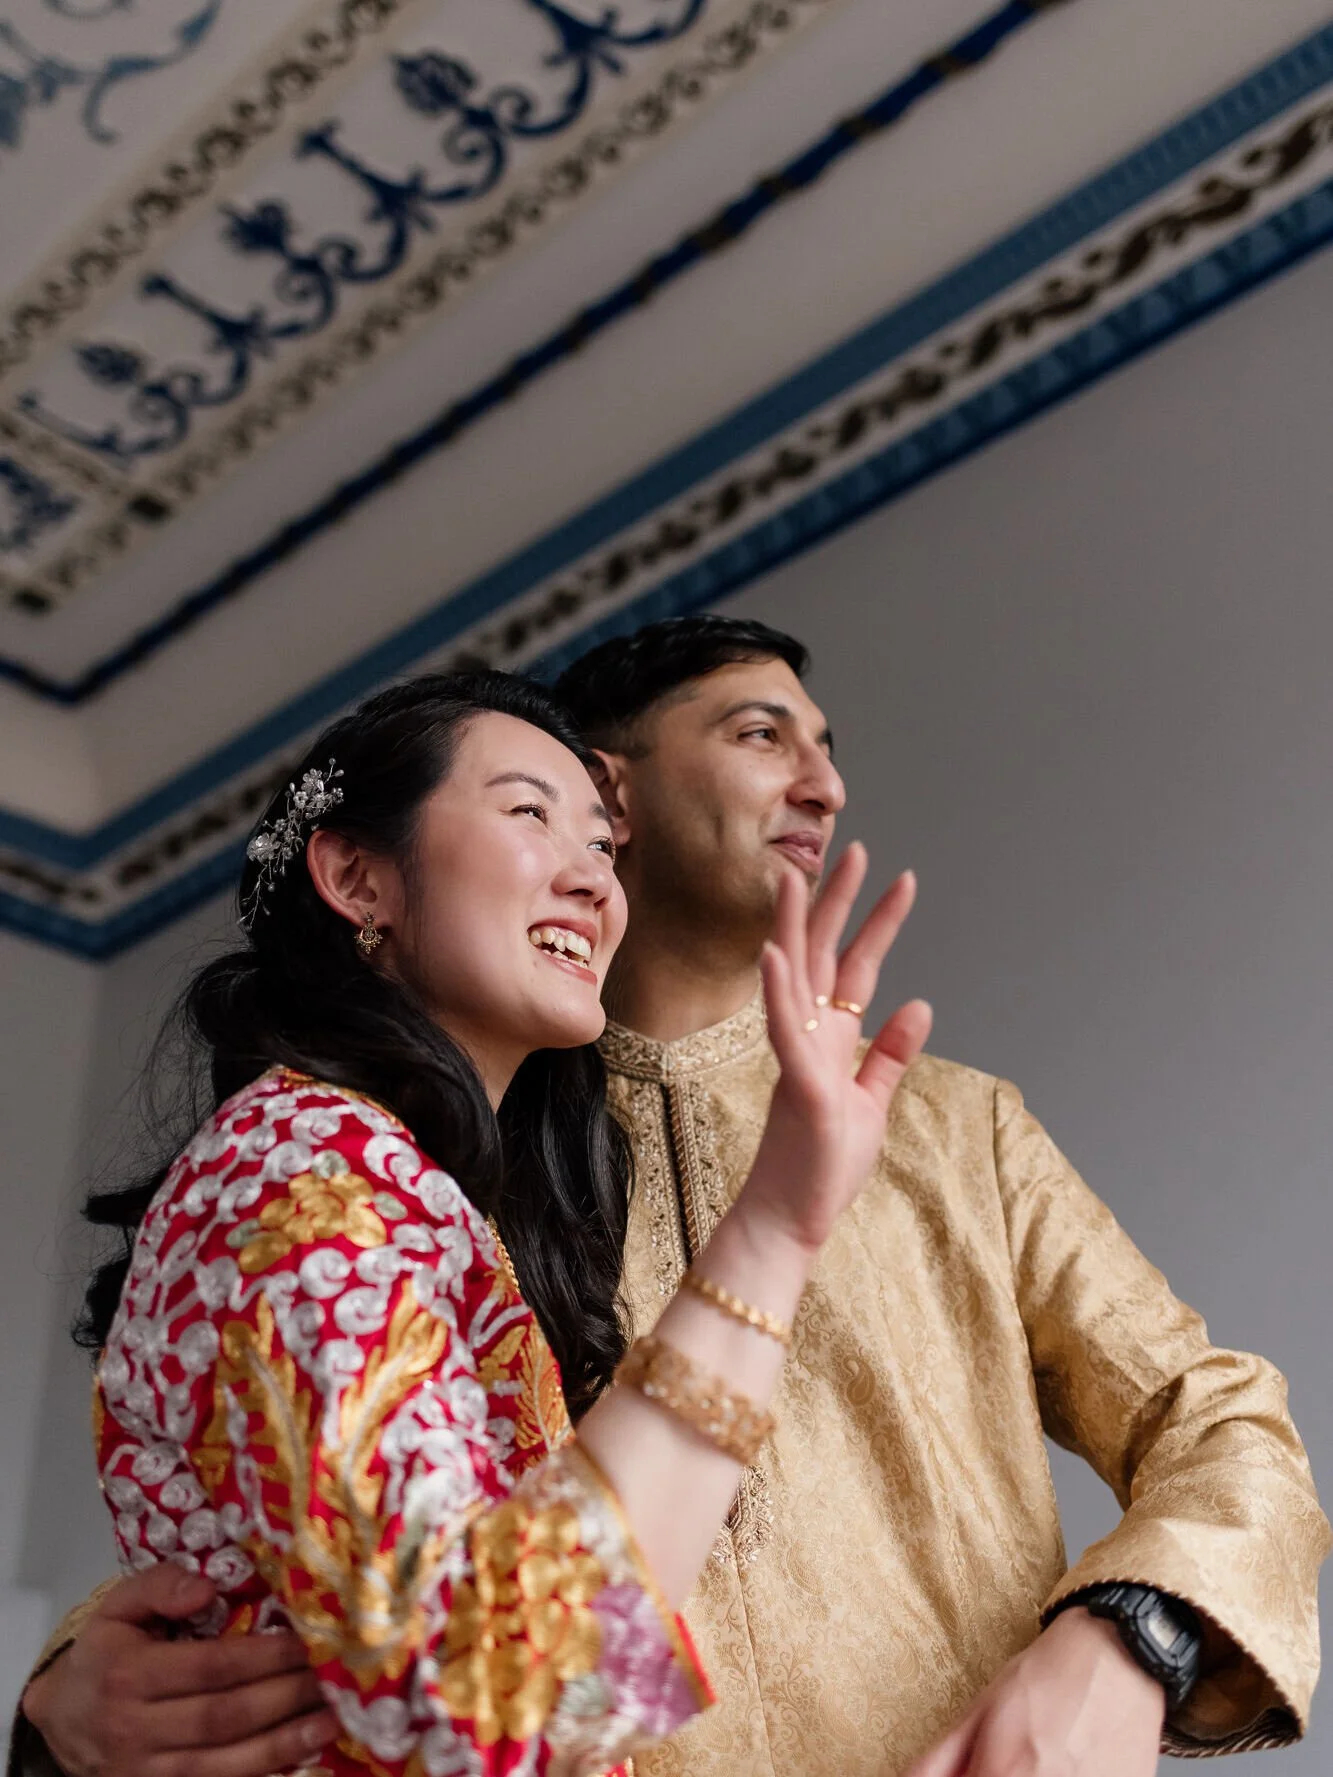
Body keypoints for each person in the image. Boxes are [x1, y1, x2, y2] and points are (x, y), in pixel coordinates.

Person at [15, 619, 1329, 1777]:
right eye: (763, 733)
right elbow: (338, 1535)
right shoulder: (429, 1155)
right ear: (619, 789)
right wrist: (65, 1699)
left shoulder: (947, 1124)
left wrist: (1125, 1640)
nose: (826, 783)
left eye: (826, 743)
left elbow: (1219, 1420)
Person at [20, 669, 930, 1777]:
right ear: (357, 876)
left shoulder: (430, 1193)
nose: (593, 880)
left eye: (601, 845)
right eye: (527, 813)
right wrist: (778, 1229)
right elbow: (486, 1695)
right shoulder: (300, 1172)